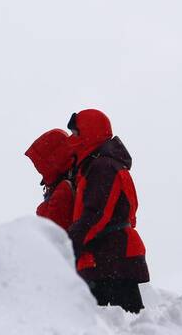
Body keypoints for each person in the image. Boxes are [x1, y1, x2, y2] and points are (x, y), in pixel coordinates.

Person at [67, 109, 150, 314]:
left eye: (76, 133)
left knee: (113, 325)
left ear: (89, 133)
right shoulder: (104, 163)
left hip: (111, 260)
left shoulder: (103, 166)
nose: (72, 139)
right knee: (125, 325)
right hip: (113, 257)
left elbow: (96, 214)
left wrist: (69, 245)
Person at [25, 128, 76, 230]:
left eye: (39, 164)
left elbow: (52, 232)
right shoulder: (68, 181)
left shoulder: (62, 189)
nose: (37, 169)